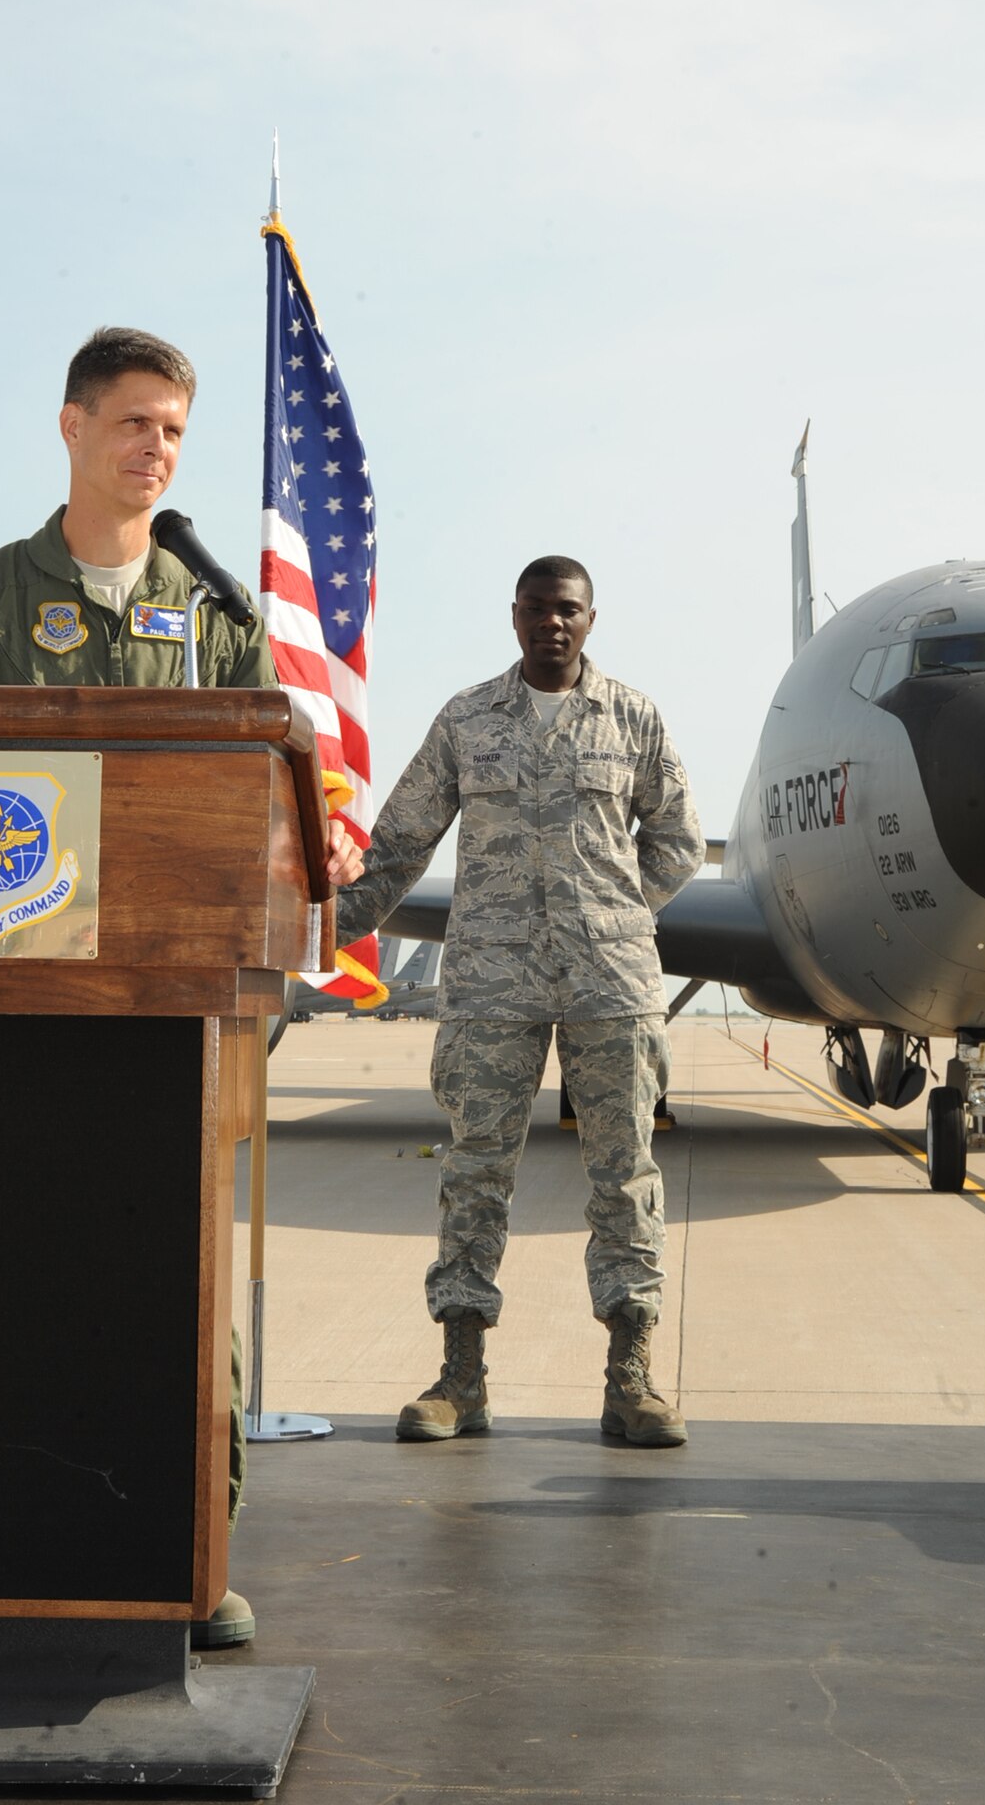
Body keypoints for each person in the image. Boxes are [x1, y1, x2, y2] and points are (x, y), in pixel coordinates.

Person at [0, 324, 363, 1642]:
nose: (155, 450)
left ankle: (189, 1549)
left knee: (169, 1288)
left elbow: (280, 807)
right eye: (134, 423)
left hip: (170, 1024)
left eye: (174, 433)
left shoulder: (214, 615)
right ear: (73, 429)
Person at [334, 558, 704, 1448]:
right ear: (514, 617)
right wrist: (325, 928)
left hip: (609, 985)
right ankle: (460, 1380)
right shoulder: (466, 720)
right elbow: (398, 843)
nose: (552, 624)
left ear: (589, 619)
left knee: (625, 1179)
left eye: (567, 611)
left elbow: (679, 839)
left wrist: (613, 915)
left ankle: (631, 1381)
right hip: (491, 983)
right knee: (473, 1174)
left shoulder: (633, 718)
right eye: (537, 610)